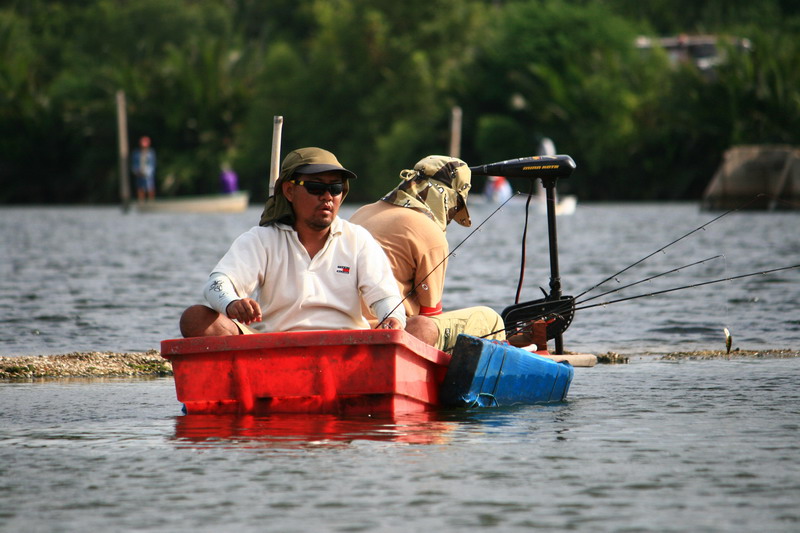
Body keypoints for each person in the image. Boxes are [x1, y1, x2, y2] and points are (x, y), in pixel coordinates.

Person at [179, 147, 406, 338]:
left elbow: (385, 297)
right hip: (272, 346)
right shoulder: (262, 239)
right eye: (315, 187)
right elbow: (216, 284)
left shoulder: (358, 239)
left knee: (417, 327)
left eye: (335, 188)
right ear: (289, 190)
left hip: (345, 345)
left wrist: (393, 319)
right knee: (195, 318)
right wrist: (232, 303)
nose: (327, 196)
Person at [349, 155, 508, 352]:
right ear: (449, 199)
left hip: (347, 332)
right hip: (388, 338)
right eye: (455, 208)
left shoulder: (362, 212)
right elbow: (431, 315)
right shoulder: (429, 232)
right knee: (490, 318)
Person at [131, 136, 156, 203]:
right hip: (139, 173)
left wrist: (149, 171)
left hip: (148, 173)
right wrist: (137, 171)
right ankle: (141, 202)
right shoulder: (136, 153)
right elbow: (134, 164)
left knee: (150, 187)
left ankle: (151, 202)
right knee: (140, 187)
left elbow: (152, 164)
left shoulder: (151, 153)